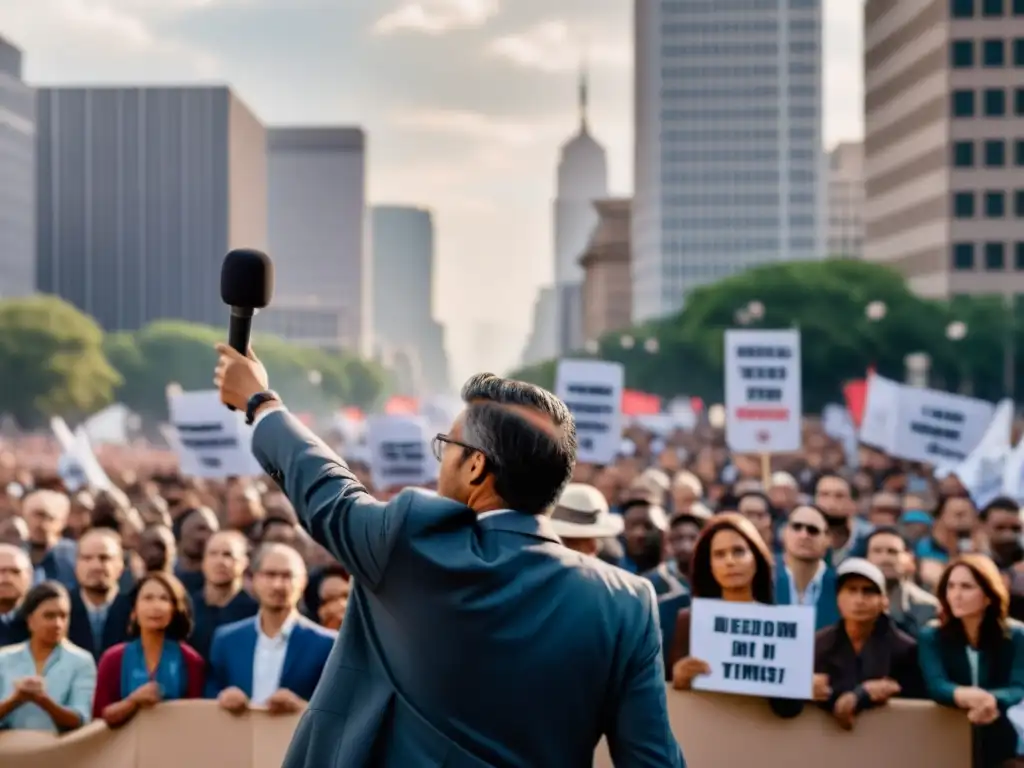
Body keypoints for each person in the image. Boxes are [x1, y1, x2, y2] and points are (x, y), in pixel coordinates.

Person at [214, 345, 685, 768]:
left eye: (447, 446)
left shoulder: (410, 541)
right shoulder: (627, 602)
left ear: (477, 465)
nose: (441, 460)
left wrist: (262, 403)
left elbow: (327, 490)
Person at [667, 513, 800, 718]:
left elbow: (788, 710)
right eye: (719, 554)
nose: (730, 561)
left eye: (738, 551)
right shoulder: (689, 620)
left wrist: (799, 684)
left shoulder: (778, 623)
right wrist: (678, 679)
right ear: (708, 564)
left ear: (756, 557)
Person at [918, 555, 1024, 768]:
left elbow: (1018, 686)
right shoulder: (931, 635)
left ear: (987, 595)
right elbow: (936, 684)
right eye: (951, 586)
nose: (956, 595)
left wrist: (990, 700)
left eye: (967, 587)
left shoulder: (1017, 635)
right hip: (949, 735)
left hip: (1002, 736)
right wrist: (967, 695)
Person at [92, 572, 205, 726]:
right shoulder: (114, 659)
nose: (156, 606)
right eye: (148, 598)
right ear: (134, 611)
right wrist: (133, 701)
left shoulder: (190, 660)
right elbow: (99, 718)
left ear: (175, 609)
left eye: (164, 599)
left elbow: (198, 719)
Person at [0, 581, 95, 732]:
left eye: (63, 616)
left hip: (58, 752)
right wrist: (16, 699)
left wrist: (43, 700)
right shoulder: (4, 658)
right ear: (30, 620)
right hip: (9, 752)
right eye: (49, 616)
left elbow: (81, 719)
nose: (58, 624)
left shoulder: (82, 661)